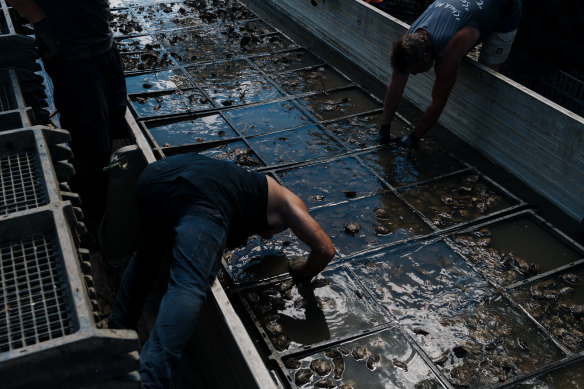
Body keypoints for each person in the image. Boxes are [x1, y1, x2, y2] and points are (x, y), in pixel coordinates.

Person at [108, 153, 335, 388]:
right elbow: (326, 250)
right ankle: (149, 381)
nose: (265, 236)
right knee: (189, 286)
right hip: (203, 199)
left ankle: (116, 332)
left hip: (156, 176)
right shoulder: (291, 203)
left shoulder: (248, 183)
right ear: (276, 223)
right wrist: (303, 273)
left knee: (146, 257)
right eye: (270, 233)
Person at [8, 0, 127, 222]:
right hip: (75, 59)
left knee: (112, 126)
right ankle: (88, 214)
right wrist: (42, 24)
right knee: (88, 143)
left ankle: (105, 193)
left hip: (103, 46)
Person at [379, 0, 522, 147]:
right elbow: (396, 86)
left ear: (426, 56)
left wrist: (413, 138)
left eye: (413, 70)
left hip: (506, 8)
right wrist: (384, 130)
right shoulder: (408, 40)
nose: (413, 74)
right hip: (470, 13)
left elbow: (438, 103)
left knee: (487, 75)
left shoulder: (447, 55)